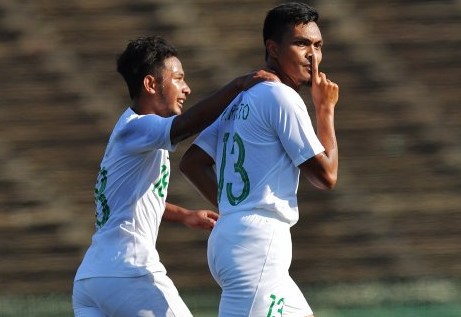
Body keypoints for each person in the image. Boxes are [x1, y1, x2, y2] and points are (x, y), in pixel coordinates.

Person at [72, 35, 277, 317]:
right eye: (178, 79)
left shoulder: (129, 134)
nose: (187, 88)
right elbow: (183, 126)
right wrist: (238, 85)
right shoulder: (139, 128)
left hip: (91, 281)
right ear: (150, 84)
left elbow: (132, 202)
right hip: (128, 271)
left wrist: (184, 215)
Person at [179, 2, 339, 316]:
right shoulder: (281, 96)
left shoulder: (242, 97)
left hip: (236, 238)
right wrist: (325, 111)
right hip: (258, 244)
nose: (312, 54)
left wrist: (233, 209)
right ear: (273, 49)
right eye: (301, 43)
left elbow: (192, 163)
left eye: (318, 45)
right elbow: (326, 176)